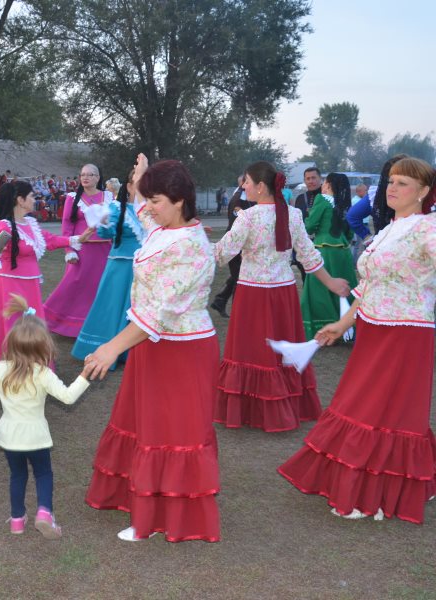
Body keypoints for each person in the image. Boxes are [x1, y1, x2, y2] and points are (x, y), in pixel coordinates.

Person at [279, 157, 436, 524]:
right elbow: (368, 287)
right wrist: (341, 323)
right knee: (361, 404)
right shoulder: (387, 229)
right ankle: (366, 486)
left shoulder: (427, 229)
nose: (393, 189)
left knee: (385, 411)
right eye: (391, 182)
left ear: (424, 192)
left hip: (407, 332)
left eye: (404, 184)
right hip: (373, 328)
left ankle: (379, 494)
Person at [84, 155, 221, 543]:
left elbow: (159, 313)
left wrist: (111, 347)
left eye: (158, 201)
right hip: (150, 345)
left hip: (181, 350)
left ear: (180, 200)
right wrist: (143, 178)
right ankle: (143, 502)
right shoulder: (161, 225)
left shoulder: (192, 246)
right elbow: (143, 213)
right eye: (150, 201)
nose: (150, 209)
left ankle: (166, 518)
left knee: (172, 432)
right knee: (145, 427)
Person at [213, 161, 350, 432]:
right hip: (283, 294)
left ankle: (251, 411)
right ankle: (283, 407)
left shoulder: (249, 218)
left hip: (252, 294)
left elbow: (221, 255)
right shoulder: (294, 215)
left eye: (247, 182)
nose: (244, 186)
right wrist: (331, 282)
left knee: (252, 352)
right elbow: (309, 258)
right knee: (278, 354)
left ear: (261, 187)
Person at [0, 294, 92, 538]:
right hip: (36, 437)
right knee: (43, 473)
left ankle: (17, 520)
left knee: (17, 475)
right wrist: (85, 375)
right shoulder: (43, 374)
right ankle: (44, 513)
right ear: (44, 346)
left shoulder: (1, 369)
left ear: (12, 343)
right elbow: (68, 396)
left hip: (9, 438)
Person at [0, 181, 90, 363]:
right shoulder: (5, 225)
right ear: (20, 200)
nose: (35, 199)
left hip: (32, 284)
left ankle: (36, 368)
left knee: (34, 327)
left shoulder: (31, 223)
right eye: (32, 196)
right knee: (16, 327)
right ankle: (15, 370)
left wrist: (76, 239)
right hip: (12, 285)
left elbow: (50, 240)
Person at [71, 170, 144, 366]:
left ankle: (132, 351)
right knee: (113, 307)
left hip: (143, 268)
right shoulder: (115, 208)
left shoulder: (148, 210)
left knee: (137, 308)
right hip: (120, 267)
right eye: (139, 183)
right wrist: (102, 223)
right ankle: (109, 349)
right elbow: (105, 232)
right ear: (129, 186)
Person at [43, 164, 113, 337]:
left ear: (98, 177)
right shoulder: (72, 197)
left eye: (90, 174)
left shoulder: (109, 196)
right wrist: (69, 250)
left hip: (105, 250)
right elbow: (67, 226)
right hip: (82, 250)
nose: (85, 177)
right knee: (72, 285)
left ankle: (91, 327)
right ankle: (50, 319)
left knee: (98, 288)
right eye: (82, 174)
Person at [300, 173, 358, 340]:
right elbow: (349, 230)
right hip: (343, 250)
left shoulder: (322, 199)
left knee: (318, 290)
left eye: (325, 182)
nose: (322, 185)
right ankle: (349, 327)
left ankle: (322, 327)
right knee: (346, 288)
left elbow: (310, 226)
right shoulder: (346, 203)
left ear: (329, 185)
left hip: (324, 249)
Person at [210, 175, 251, 318]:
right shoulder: (240, 198)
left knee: (238, 276)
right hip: (236, 243)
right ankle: (238, 313)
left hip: (240, 243)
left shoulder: (244, 196)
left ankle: (221, 300)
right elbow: (236, 225)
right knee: (239, 279)